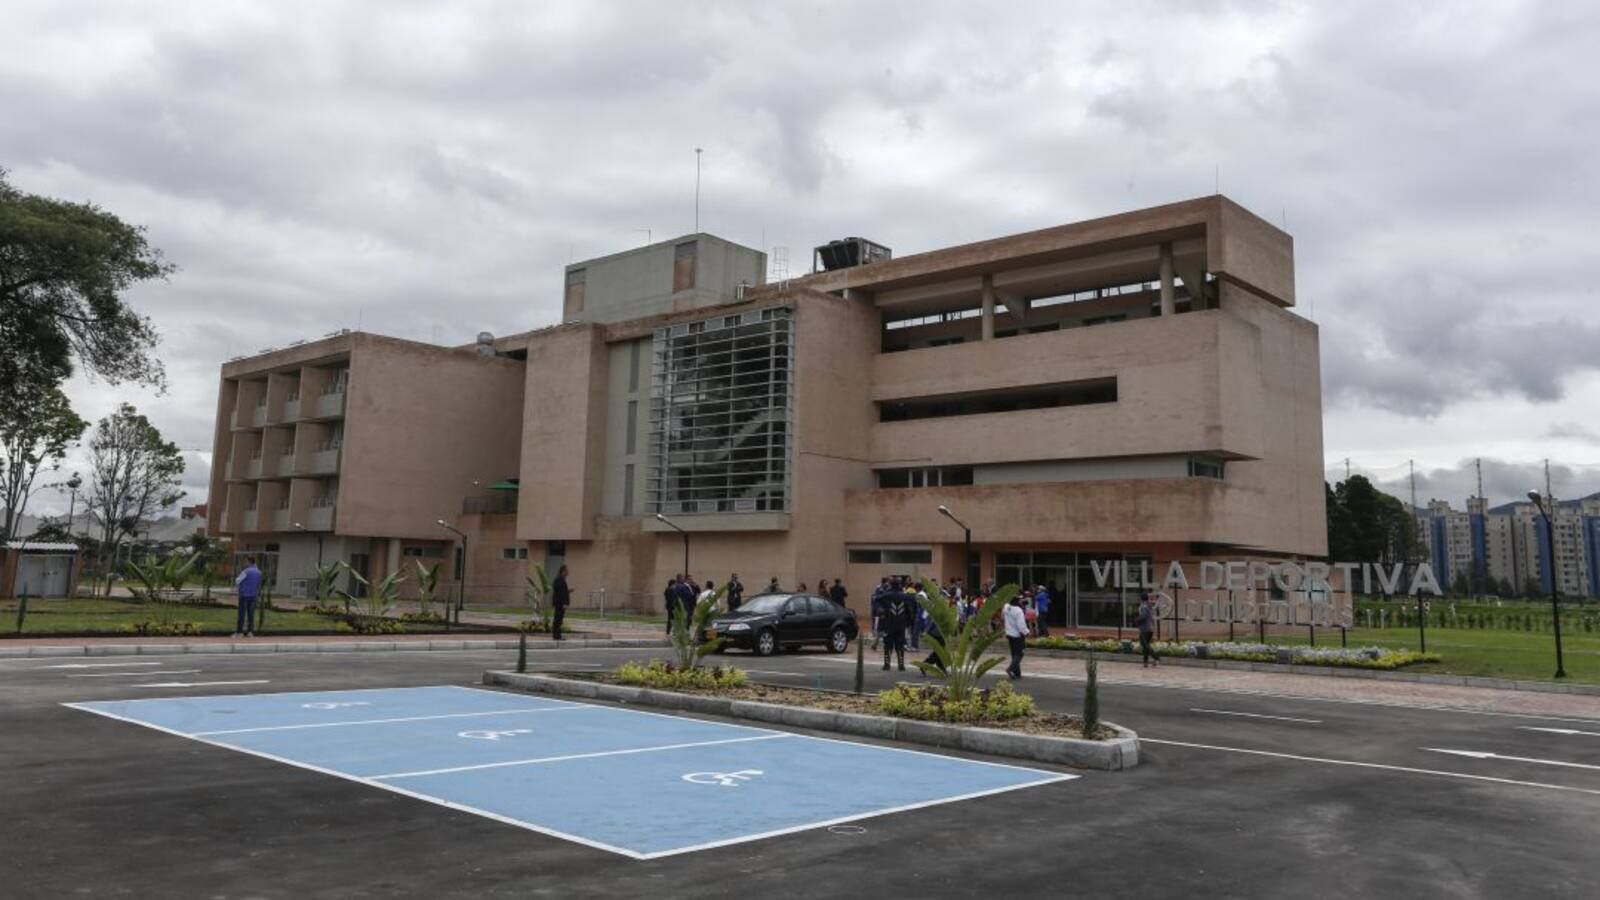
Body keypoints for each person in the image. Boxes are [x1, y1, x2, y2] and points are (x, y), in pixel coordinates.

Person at [880, 587, 913, 672]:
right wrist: (908, 623)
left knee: (887, 645)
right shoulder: (905, 596)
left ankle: (887, 665)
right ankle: (901, 665)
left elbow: (880, 609)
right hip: (900, 626)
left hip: (888, 625)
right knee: (900, 646)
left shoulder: (886, 595)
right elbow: (909, 611)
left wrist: (882, 622)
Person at [233, 555, 262, 638]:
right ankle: (250, 632)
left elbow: (237, 580)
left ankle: (240, 632)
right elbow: (258, 584)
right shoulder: (259, 572)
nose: (245, 563)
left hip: (244, 595)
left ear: (249, 562)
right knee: (251, 614)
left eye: (246, 561)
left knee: (242, 614)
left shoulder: (246, 571)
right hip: (253, 595)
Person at [1003, 594, 1029, 679]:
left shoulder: (1006, 607)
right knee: (1020, 653)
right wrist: (1026, 632)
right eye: (1019, 600)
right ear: (1016, 601)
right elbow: (1021, 624)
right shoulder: (1018, 611)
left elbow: (1002, 617)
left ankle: (1017, 673)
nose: (1021, 601)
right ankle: (1010, 669)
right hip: (1018, 635)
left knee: (1014, 654)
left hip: (1009, 634)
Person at [1136, 592, 1160, 667]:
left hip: (1145, 629)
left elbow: (1143, 616)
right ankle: (1145, 662)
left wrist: (1136, 620)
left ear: (1141, 599)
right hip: (1150, 629)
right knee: (1146, 646)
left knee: (1144, 645)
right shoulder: (1149, 605)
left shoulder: (1144, 606)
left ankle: (1156, 658)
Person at [551, 565, 571, 641]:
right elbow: (560, 593)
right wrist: (564, 603)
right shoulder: (559, 579)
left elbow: (563, 591)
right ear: (563, 571)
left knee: (559, 620)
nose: (568, 572)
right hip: (559, 604)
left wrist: (568, 591)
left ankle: (558, 635)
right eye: (566, 571)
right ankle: (556, 635)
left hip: (560, 603)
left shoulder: (561, 579)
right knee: (558, 619)